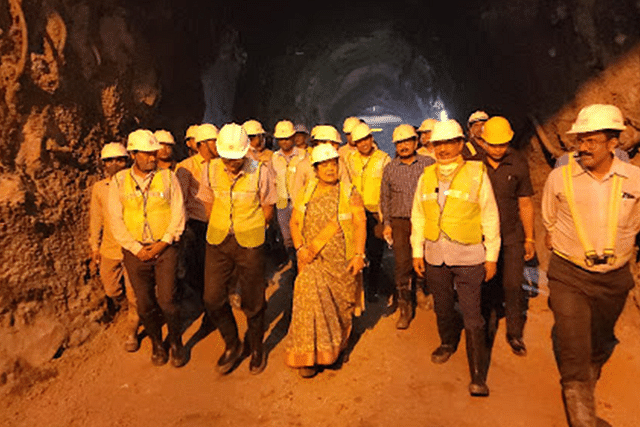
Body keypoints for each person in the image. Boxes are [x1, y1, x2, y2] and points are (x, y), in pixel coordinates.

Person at [541, 104, 640, 426]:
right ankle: (582, 418)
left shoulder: (635, 181)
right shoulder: (559, 179)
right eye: (580, 140)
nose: (583, 147)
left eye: (592, 140)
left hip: (614, 279)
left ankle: (592, 366)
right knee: (572, 347)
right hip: (569, 274)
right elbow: (550, 222)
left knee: (600, 339)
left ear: (613, 143)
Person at [411, 119, 500, 397]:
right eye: (439, 144)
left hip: (469, 255)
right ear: (432, 146)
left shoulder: (476, 173)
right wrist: (417, 251)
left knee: (473, 315)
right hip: (435, 254)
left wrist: (492, 256)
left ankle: (477, 374)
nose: (444, 149)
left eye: (450, 143)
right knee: (443, 306)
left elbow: (489, 214)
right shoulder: (426, 176)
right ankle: (447, 342)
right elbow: (419, 215)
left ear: (461, 144)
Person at [286, 144, 367, 378]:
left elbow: (360, 224)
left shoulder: (350, 192)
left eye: (333, 164)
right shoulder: (306, 193)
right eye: (324, 165)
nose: (330, 169)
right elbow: (294, 223)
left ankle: (333, 348)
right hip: (312, 261)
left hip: (341, 263)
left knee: (339, 309)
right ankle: (308, 356)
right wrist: (300, 248)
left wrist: (359, 254)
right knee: (308, 298)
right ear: (315, 169)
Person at [108, 129, 187, 367]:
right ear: (133, 154)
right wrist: (135, 248)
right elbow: (115, 219)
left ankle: (175, 343)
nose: (153, 158)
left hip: (165, 249)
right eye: (147, 154)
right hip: (135, 252)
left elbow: (177, 212)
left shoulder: (168, 177)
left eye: (154, 154)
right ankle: (156, 344)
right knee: (144, 303)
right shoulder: (120, 181)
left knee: (167, 301)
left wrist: (163, 243)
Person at [203, 123, 276, 375]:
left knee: (253, 300)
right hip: (219, 240)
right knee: (212, 298)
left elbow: (268, 206)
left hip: (251, 240)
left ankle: (256, 347)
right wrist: (221, 224)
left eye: (236, 158)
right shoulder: (211, 169)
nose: (231, 163)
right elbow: (208, 201)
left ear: (246, 152)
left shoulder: (260, 171)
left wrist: (256, 230)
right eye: (226, 158)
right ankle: (232, 344)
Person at [479, 116, 535, 356]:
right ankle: (487, 325)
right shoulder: (474, 165)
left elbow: (525, 203)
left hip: (512, 235)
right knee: (487, 283)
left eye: (502, 144)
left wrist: (529, 238)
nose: (498, 149)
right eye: (493, 145)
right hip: (482, 237)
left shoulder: (518, 163)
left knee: (512, 285)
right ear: (483, 142)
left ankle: (514, 333)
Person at [380, 124, 435, 329]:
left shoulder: (429, 164)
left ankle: (422, 290)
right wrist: (387, 224)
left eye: (407, 141)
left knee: (427, 259)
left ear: (415, 142)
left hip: (426, 219)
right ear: (395, 146)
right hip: (400, 222)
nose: (403, 146)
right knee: (402, 264)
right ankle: (405, 307)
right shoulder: (390, 169)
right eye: (399, 143)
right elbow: (385, 199)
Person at [89, 142, 140, 352]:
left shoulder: (137, 183)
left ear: (127, 161)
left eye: (120, 159)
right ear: (103, 164)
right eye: (110, 160)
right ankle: (132, 309)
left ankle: (132, 333)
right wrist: (94, 246)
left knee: (134, 294)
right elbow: (96, 218)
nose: (115, 164)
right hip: (109, 249)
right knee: (111, 289)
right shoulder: (99, 188)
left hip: (132, 249)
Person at [175, 124, 218, 331]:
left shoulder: (223, 163)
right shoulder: (186, 167)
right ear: (201, 144)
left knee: (216, 270)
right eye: (213, 141)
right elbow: (180, 198)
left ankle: (212, 312)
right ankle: (208, 307)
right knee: (198, 271)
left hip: (220, 224)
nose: (217, 145)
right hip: (197, 226)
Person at [346, 122, 391, 302]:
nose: (363, 143)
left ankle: (373, 288)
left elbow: (386, 188)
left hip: (375, 212)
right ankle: (360, 289)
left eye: (366, 139)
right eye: (359, 141)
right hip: (357, 212)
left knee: (375, 252)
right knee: (358, 251)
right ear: (354, 144)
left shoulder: (383, 158)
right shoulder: (350, 159)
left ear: (372, 139)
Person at [271, 120, 308, 264]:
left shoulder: (304, 156)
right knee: (287, 236)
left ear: (293, 137)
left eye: (287, 138)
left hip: (299, 201)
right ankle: (293, 262)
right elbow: (267, 176)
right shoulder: (274, 158)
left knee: (302, 233)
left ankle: (302, 264)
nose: (285, 142)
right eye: (281, 139)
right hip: (281, 201)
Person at [290, 125, 351, 204]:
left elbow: (347, 189)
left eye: (335, 144)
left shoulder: (340, 164)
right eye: (330, 143)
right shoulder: (304, 165)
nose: (332, 147)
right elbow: (296, 194)